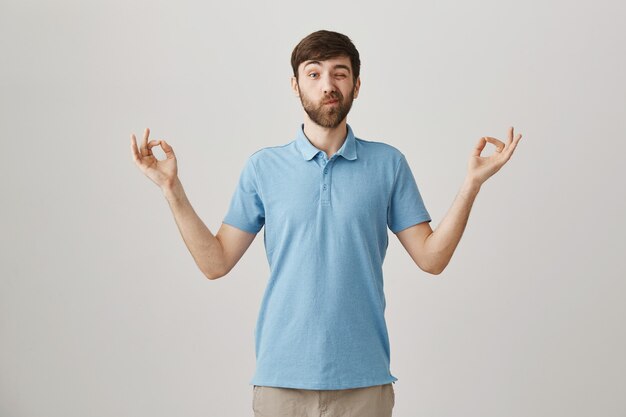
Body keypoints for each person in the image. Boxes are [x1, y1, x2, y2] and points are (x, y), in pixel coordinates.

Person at [130, 29, 523, 417]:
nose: (328, 84)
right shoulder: (263, 168)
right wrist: (172, 189)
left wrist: (471, 184)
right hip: (281, 382)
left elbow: (432, 258)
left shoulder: (388, 164)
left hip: (364, 382)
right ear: (295, 85)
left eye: (340, 72)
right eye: (314, 73)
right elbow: (215, 263)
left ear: (356, 84)